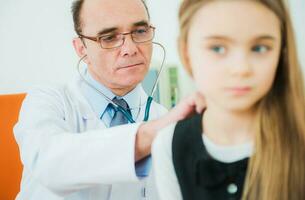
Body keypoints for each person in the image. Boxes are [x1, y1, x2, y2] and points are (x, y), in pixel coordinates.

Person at [13, 0, 205, 199]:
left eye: (139, 31)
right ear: (82, 49)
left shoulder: (162, 117)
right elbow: (48, 163)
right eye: (109, 37)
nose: (130, 49)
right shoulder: (48, 101)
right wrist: (150, 134)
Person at [152, 0, 305, 200]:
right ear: (186, 53)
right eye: (217, 48)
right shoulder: (168, 144)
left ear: (281, 54)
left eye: (259, 48)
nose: (241, 68)